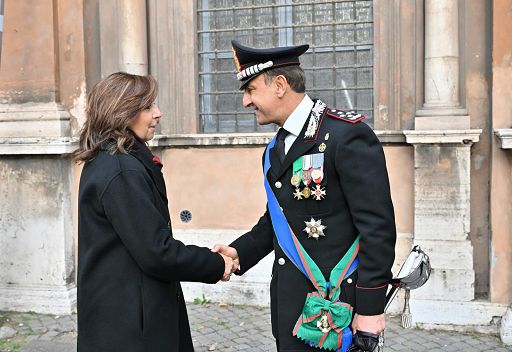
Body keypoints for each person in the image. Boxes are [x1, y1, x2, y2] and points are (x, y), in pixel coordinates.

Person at [213, 41, 397, 351]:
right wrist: (238, 253)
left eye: (252, 89)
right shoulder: (274, 150)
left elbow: (377, 229)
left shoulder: (345, 136)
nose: (246, 101)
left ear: (280, 85)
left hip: (338, 309)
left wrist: (370, 308)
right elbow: (279, 220)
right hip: (292, 311)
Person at [73, 72, 236, 352]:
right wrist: (215, 264)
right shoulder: (121, 169)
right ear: (121, 112)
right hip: (131, 328)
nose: (158, 113)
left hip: (129, 315)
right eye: (148, 107)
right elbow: (156, 252)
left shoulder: (116, 160)